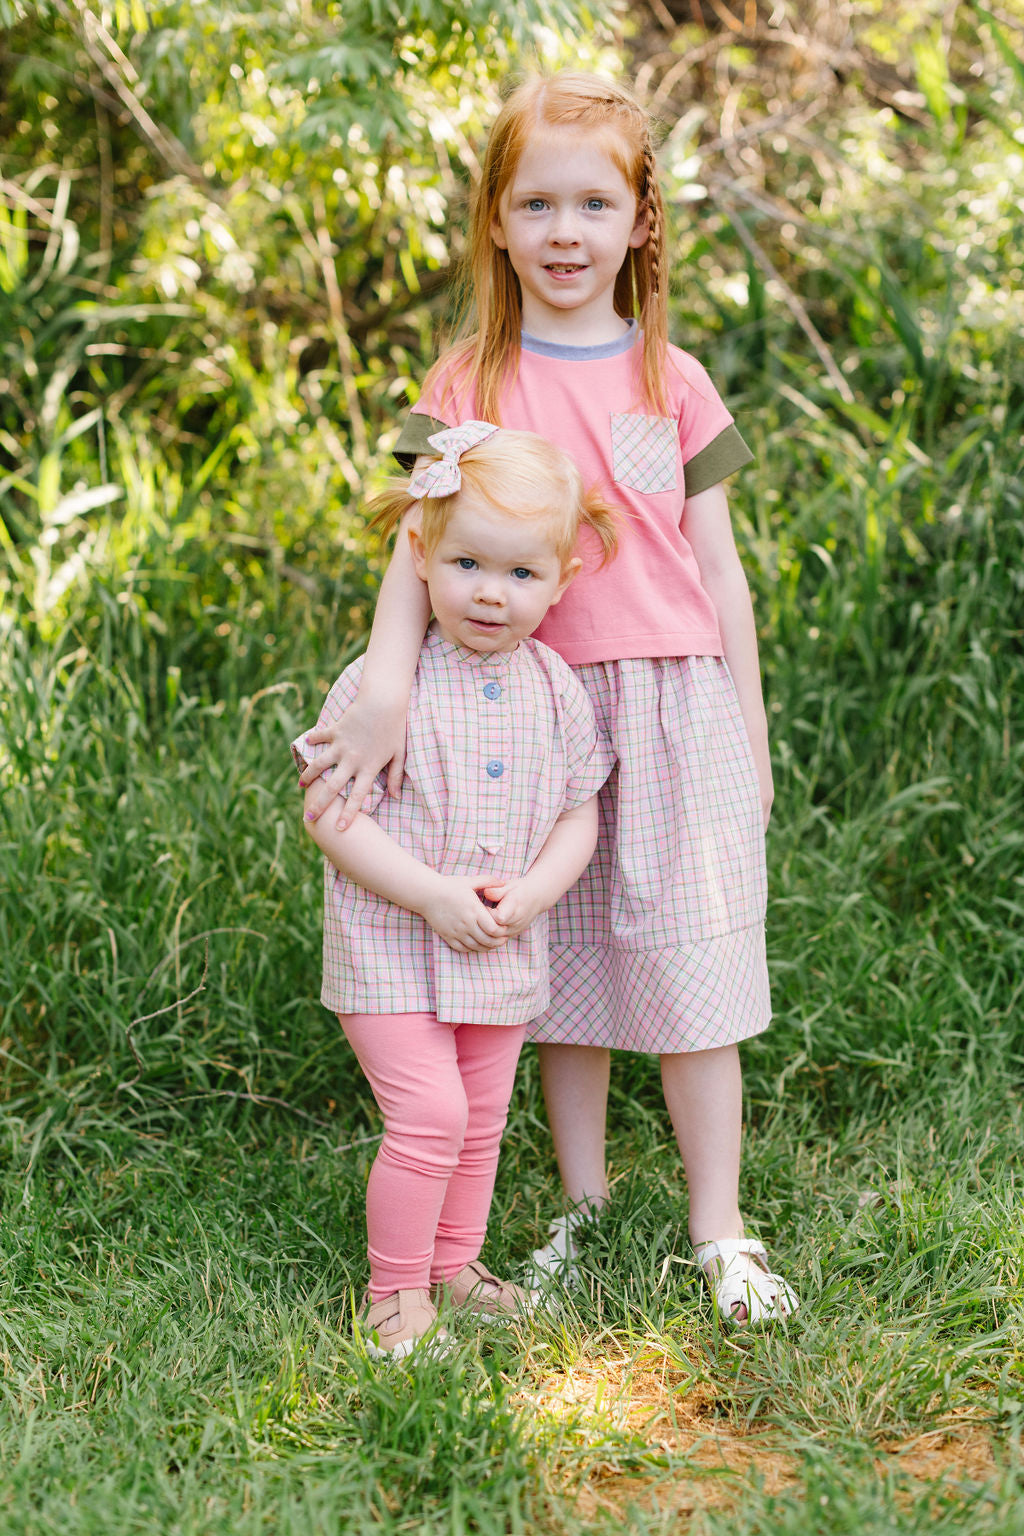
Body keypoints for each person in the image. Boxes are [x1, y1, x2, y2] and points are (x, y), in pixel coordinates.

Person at [300, 71, 798, 1325]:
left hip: (675, 704)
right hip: (518, 712)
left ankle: (719, 1228)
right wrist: (387, 691)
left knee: (691, 958)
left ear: (638, 222)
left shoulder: (675, 381)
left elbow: (722, 572)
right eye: (536, 204)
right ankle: (580, 1207)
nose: (563, 231)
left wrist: (752, 729)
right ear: (497, 222)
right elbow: (409, 546)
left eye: (593, 203)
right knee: (554, 960)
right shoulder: (461, 377)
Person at [293, 421, 617, 1359]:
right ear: (424, 554)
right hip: (390, 944)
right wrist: (431, 894)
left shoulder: (556, 689)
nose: (491, 592)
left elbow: (576, 813)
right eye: (469, 562)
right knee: (430, 1115)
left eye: (522, 574)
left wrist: (538, 892)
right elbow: (329, 813)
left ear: (560, 582)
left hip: (499, 943)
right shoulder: (380, 687)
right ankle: (395, 1295)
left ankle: (456, 1266)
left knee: (480, 1121)